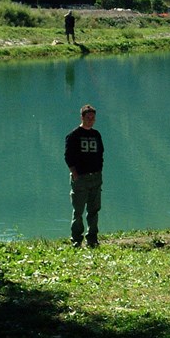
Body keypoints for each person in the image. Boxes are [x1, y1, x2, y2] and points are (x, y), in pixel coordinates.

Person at [65, 104, 103, 247]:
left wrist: (99, 171)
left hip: (96, 177)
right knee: (78, 211)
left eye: (93, 118)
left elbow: (101, 154)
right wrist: (75, 174)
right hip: (80, 178)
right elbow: (68, 157)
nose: (91, 120)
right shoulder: (73, 135)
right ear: (82, 117)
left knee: (94, 210)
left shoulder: (96, 134)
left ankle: (92, 239)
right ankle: (76, 239)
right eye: (88, 118)